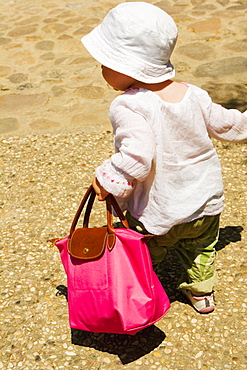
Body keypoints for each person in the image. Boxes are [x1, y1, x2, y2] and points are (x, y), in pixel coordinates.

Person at [81, 2, 247, 314]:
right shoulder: (194, 93)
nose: (101, 70)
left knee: (143, 254)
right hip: (205, 205)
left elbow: (137, 157)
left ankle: (137, 296)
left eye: (104, 63)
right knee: (201, 250)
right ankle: (201, 294)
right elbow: (229, 124)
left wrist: (107, 177)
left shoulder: (128, 106)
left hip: (159, 212)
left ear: (125, 66)